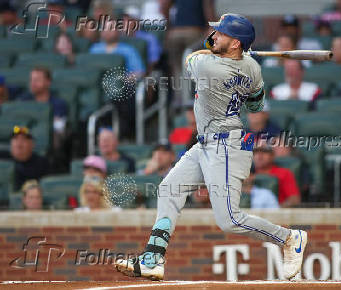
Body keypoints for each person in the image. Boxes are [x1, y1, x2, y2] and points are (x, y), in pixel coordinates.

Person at [115, 14, 307, 281]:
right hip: (206, 143)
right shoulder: (252, 67)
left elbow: (191, 58)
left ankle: (289, 238)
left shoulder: (208, 66)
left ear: (236, 43)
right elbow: (254, 105)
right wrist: (242, 59)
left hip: (226, 147)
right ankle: (153, 258)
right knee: (169, 189)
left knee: (229, 220)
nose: (214, 35)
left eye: (221, 33)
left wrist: (224, 52)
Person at [18, 67, 68, 137]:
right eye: (31, 80)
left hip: (47, 139)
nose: (33, 83)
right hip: (26, 138)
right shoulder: (23, 100)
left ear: (48, 82)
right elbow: (17, 127)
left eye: (37, 80)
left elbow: (58, 129)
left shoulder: (59, 103)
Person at [122, 5, 163, 73]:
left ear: (137, 22)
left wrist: (144, 75)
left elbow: (154, 61)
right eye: (124, 20)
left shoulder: (149, 38)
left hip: (141, 75)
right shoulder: (119, 37)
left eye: (129, 20)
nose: (125, 23)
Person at [8, 126, 49, 191]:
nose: (19, 144)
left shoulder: (42, 164)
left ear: (32, 144)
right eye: (15, 139)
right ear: (10, 143)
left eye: (23, 139)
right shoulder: (3, 159)